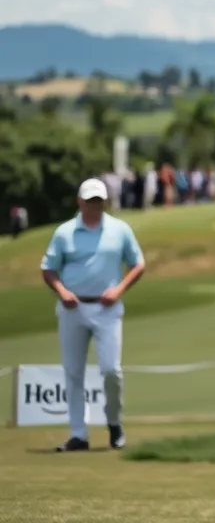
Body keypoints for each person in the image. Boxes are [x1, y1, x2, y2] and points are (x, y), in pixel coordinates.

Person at [39, 178, 146, 451]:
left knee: (111, 371)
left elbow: (138, 264)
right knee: (73, 373)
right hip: (71, 308)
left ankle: (114, 422)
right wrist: (62, 291)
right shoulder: (64, 233)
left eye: (99, 200)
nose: (94, 205)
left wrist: (119, 289)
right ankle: (79, 434)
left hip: (107, 308)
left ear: (105, 202)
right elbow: (49, 268)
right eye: (90, 201)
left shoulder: (119, 230)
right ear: (80, 202)